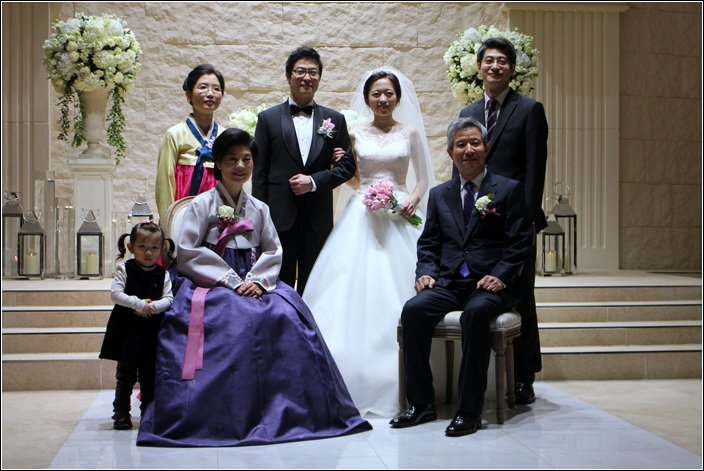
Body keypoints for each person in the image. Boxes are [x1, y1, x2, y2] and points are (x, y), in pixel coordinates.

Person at [137, 128, 371, 447]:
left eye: (246, 159)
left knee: (287, 313)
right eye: (232, 159)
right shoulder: (201, 204)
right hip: (210, 280)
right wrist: (232, 281)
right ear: (218, 163)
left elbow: (273, 250)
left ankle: (290, 408)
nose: (240, 165)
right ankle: (227, 412)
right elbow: (189, 252)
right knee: (232, 317)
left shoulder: (259, 207)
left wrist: (258, 280)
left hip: (255, 279)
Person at [302, 67, 435, 417]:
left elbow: (423, 178)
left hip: (401, 212)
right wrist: (362, 187)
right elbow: (353, 178)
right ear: (367, 99)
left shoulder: (410, 133)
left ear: (398, 98)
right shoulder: (354, 133)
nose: (383, 99)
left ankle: (415, 375)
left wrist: (412, 199)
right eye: (376, 93)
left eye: (389, 93)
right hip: (362, 212)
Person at [391, 117, 532, 436]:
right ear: (450, 152)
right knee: (414, 310)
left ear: (486, 148)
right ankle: (421, 404)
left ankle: (469, 410)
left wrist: (501, 276)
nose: (469, 150)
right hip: (450, 282)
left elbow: (519, 242)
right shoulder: (440, 194)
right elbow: (429, 243)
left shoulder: (508, 190)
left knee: (477, 312)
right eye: (461, 144)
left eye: (475, 143)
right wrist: (426, 273)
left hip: (489, 285)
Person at [458, 37, 549, 404]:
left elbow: (535, 168)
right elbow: (462, 164)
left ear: (512, 69)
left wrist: (529, 219)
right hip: (479, 223)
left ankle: (525, 375)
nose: (495, 66)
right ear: (479, 68)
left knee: (522, 296)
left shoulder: (529, 110)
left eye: (502, 61)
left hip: (516, 221)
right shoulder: (468, 111)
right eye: (489, 61)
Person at [253, 46, 356, 295]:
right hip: (279, 218)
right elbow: (260, 174)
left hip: (317, 219)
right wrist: (259, 218)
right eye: (300, 71)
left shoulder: (334, 119)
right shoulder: (268, 119)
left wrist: (314, 181)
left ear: (320, 77)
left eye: (313, 72)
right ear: (288, 76)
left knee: (315, 289)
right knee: (278, 287)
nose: (307, 77)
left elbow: (348, 167)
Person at [99, 222, 174, 430]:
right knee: (125, 374)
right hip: (127, 330)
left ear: (162, 249)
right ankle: (121, 413)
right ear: (130, 247)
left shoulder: (163, 274)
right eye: (142, 247)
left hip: (151, 331)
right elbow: (115, 294)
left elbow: (169, 299)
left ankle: (149, 413)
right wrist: (139, 304)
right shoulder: (125, 268)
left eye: (154, 248)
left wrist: (153, 307)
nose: (148, 252)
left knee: (149, 375)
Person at [155, 64, 226, 221]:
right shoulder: (175, 135)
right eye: (203, 87)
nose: (210, 94)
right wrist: (169, 222)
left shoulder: (225, 137)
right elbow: (164, 184)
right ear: (189, 95)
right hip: (182, 216)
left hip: (217, 217)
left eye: (216, 89)